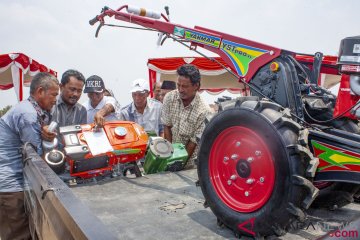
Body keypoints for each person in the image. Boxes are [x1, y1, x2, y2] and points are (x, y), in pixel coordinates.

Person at [0, 72, 59, 240]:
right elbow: (35, 158)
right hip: (10, 188)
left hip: (16, 184)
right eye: (54, 94)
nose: (56, 100)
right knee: (18, 234)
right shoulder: (28, 115)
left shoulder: (31, 109)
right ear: (40, 91)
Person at [161, 64, 211, 169]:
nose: (180, 90)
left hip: (190, 165)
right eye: (178, 85)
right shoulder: (169, 98)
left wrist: (179, 163)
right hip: (170, 158)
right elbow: (167, 127)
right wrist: (169, 157)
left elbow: (193, 143)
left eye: (185, 86)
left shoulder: (204, 111)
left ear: (196, 86)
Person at [42, 70, 87, 144]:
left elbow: (81, 137)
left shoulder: (82, 111)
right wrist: (43, 130)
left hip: (73, 154)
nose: (75, 94)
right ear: (61, 87)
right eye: (72, 89)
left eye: (79, 91)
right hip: (50, 152)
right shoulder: (49, 104)